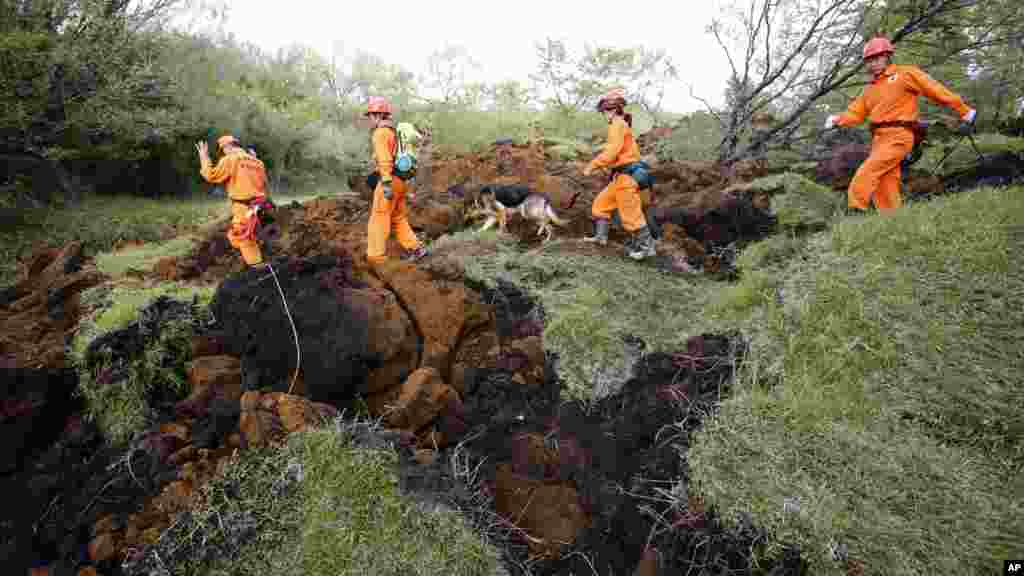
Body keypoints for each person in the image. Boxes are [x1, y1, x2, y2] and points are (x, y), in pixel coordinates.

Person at [825, 36, 977, 213]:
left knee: (867, 171)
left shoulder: (905, 74)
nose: (872, 64)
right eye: (869, 60)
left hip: (899, 135)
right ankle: (891, 217)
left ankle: (855, 209)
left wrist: (964, 111)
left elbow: (936, 91)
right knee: (885, 181)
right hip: (879, 140)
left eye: (877, 58)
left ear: (887, 56)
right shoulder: (870, 89)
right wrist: (837, 120)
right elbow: (855, 114)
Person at [582, 87, 656, 260]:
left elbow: (612, 152)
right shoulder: (619, 125)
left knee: (631, 215)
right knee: (601, 204)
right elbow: (616, 153)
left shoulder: (618, 125)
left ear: (614, 110)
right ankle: (600, 237)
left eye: (606, 111)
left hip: (628, 177)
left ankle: (647, 248)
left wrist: (592, 166)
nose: (604, 114)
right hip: (620, 176)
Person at [364, 96, 429, 265]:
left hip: (389, 181)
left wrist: (385, 182)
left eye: (371, 115)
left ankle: (376, 257)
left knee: (379, 217)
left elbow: (385, 159)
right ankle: (416, 248)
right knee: (397, 217)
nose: (369, 119)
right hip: (401, 182)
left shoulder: (380, 133)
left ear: (379, 115)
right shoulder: (394, 132)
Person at [196, 134, 271, 267]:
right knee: (248, 232)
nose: (224, 153)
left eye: (223, 150)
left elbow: (211, 175)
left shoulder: (230, 159)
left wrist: (204, 157)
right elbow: (264, 183)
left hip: (244, 206)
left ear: (226, 147)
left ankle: (257, 267)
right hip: (259, 204)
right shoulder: (257, 162)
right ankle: (256, 253)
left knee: (241, 234)